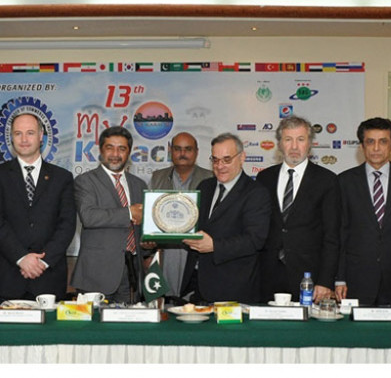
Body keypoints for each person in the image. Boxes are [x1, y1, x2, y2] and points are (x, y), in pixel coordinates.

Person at [0, 113, 76, 301]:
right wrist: (21, 258)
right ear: (11, 137)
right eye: (18, 133)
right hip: (9, 279)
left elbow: (67, 225)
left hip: (48, 278)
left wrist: (42, 262)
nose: (24, 139)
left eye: (30, 133)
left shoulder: (62, 178)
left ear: (41, 136)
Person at [335, 117, 391, 306]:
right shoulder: (345, 181)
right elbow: (340, 233)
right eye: (370, 142)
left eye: (383, 141)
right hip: (356, 279)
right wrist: (339, 278)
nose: (376, 148)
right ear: (362, 146)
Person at [256, 116, 340, 303]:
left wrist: (325, 281)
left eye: (300, 139)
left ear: (310, 143)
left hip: (309, 278)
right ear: (279, 144)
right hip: (267, 275)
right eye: (288, 139)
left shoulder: (327, 180)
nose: (294, 146)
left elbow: (332, 236)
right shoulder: (264, 178)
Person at [180, 133, 271, 303]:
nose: (220, 166)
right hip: (199, 286)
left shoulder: (256, 193)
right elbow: (193, 226)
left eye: (227, 160)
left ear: (242, 158)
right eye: (215, 160)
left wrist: (214, 246)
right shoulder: (204, 187)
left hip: (235, 289)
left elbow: (254, 240)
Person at [71, 126, 148, 303]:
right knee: (93, 322)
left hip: (131, 275)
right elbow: (89, 217)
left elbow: (141, 227)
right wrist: (129, 212)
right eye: (110, 147)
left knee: (129, 321)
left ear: (129, 152)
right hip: (96, 274)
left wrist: (148, 243)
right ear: (100, 150)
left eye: (122, 149)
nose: (115, 154)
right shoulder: (85, 181)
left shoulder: (139, 185)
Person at [148, 132, 212, 299]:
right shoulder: (157, 177)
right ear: (170, 151)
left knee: (192, 304)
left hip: (196, 251)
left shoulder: (210, 178)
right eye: (177, 149)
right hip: (166, 251)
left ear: (196, 152)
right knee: (166, 301)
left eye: (188, 149)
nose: (182, 154)